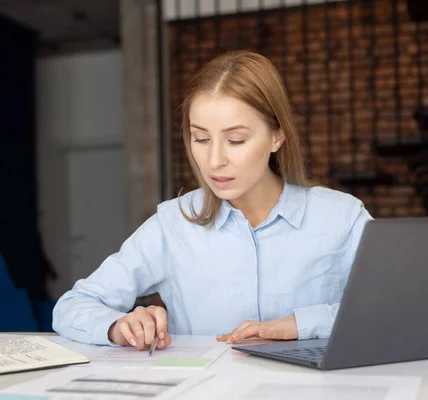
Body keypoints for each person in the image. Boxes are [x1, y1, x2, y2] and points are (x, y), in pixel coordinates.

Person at [52, 50, 373, 351]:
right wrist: (118, 325)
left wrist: (302, 324)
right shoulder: (173, 223)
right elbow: (71, 306)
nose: (214, 159)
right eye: (201, 138)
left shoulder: (341, 217)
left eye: (235, 140)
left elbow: (405, 305)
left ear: (277, 136)